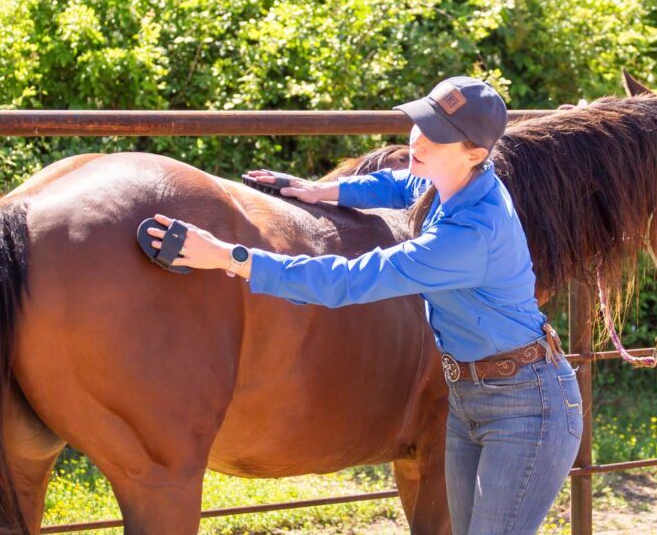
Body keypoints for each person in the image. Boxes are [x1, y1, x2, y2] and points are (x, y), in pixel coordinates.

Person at [145, 76, 583, 534]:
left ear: (474, 152)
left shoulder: (469, 233)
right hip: (472, 394)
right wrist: (322, 191)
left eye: (438, 135)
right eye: (420, 123)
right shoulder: (460, 181)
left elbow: (350, 281)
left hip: (526, 408)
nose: (419, 138)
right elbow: (401, 185)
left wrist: (227, 257)